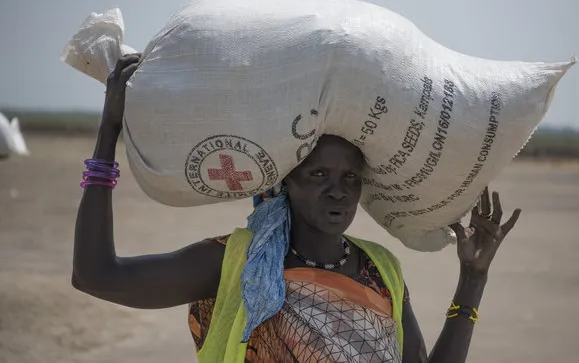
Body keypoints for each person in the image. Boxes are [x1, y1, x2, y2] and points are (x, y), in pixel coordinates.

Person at [72, 54, 522, 363]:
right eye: (318, 175)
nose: (339, 192)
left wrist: (472, 279)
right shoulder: (237, 263)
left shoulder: (382, 269)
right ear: (286, 180)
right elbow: (97, 275)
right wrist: (109, 130)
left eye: (349, 177)